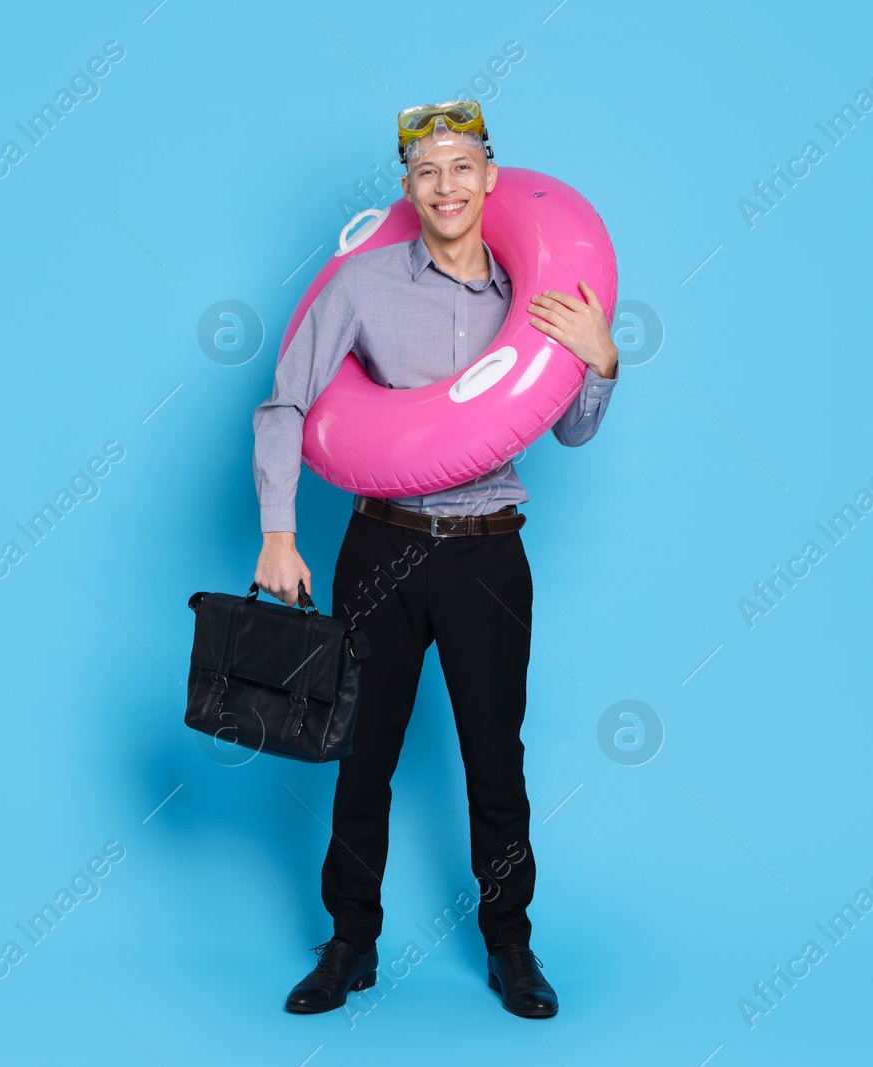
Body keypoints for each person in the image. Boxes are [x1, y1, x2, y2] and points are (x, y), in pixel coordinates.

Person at [250, 99, 620, 1019]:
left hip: (488, 558)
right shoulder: (363, 286)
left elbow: (567, 430)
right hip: (384, 544)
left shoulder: (532, 296)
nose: (446, 186)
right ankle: (349, 943)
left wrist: (601, 362)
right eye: (427, 172)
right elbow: (287, 404)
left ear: (491, 180)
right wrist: (280, 530)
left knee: (496, 754)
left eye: (462, 168)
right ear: (408, 189)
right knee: (363, 750)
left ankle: (510, 944)